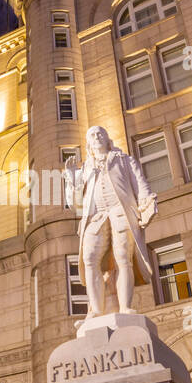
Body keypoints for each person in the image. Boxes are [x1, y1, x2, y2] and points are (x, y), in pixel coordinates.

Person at [63, 126, 158, 317]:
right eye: (92, 135)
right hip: (96, 217)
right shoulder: (85, 168)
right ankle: (96, 310)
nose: (97, 137)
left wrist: (147, 202)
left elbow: (140, 183)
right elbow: (76, 205)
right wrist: (72, 180)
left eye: (100, 134)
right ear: (88, 143)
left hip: (120, 212)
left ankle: (124, 307)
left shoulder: (124, 160)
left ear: (107, 139)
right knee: (89, 259)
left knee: (123, 258)